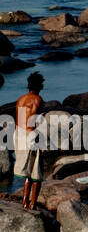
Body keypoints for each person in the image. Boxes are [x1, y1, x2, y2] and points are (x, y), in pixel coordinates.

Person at [14, 72, 45, 210]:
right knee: (36, 170)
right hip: (30, 134)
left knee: (27, 170)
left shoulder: (21, 99)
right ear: (40, 85)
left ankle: (24, 202)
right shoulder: (38, 100)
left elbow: (21, 119)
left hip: (19, 133)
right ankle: (32, 204)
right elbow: (37, 121)